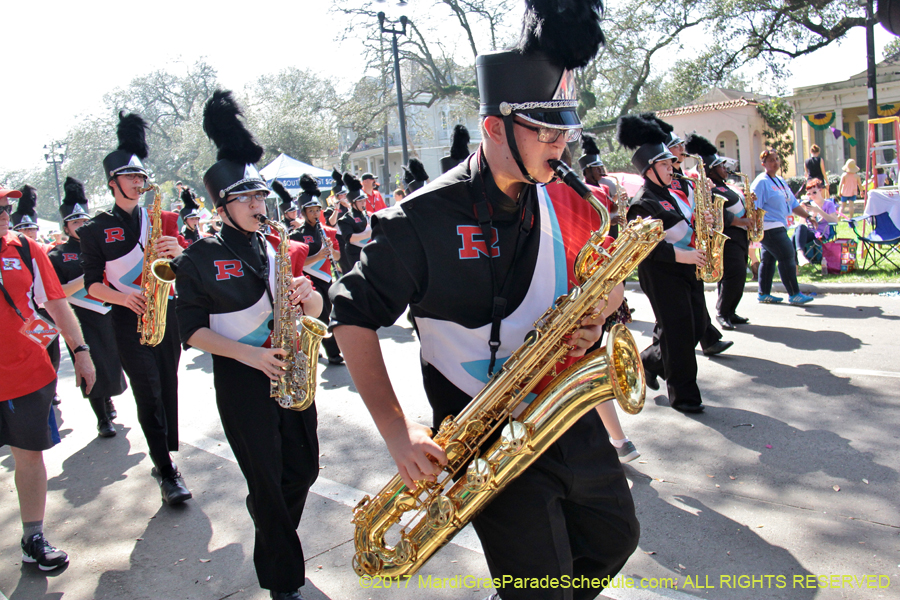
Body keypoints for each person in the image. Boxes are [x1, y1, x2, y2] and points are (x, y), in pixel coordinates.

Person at [332, 2, 639, 597]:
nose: (560, 144)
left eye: (564, 130)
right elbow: (351, 315)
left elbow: (603, 288)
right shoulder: (418, 219)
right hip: (483, 433)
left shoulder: (571, 201)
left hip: (564, 410)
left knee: (614, 537)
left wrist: (596, 319)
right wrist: (398, 432)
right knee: (539, 584)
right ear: (494, 127)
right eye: (545, 131)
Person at [173, 89, 322, 600]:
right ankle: (283, 582)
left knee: (304, 470)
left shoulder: (280, 245)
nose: (260, 206)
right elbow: (187, 330)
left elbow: (312, 309)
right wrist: (250, 355)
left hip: (291, 371)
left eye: (262, 197)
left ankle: (266, 514)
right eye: (247, 198)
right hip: (242, 379)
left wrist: (312, 298)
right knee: (268, 479)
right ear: (222, 206)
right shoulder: (198, 258)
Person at [78, 111, 193, 505]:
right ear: (112, 183)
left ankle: (166, 455)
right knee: (149, 394)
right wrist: (122, 296)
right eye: (129, 177)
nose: (137, 183)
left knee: (168, 386)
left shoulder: (164, 218)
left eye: (141, 178)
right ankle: (166, 470)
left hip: (168, 315)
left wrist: (181, 253)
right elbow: (92, 284)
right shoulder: (95, 228)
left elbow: (184, 271)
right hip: (129, 320)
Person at [2, 184, 97, 571]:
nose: (4, 211)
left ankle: (33, 536)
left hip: (28, 374)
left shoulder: (25, 248)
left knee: (29, 456)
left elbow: (56, 301)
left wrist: (81, 352)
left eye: (5, 205)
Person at [619, 115, 713, 414]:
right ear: (649, 170)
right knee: (680, 332)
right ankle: (685, 396)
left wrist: (705, 222)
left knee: (696, 327)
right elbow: (641, 248)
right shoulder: (642, 202)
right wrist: (680, 255)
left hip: (688, 267)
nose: (672, 168)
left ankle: (650, 361)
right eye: (664, 165)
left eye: (671, 163)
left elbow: (687, 225)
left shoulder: (674, 194)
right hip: (661, 272)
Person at [47, 177, 127, 438]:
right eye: (75, 222)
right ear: (66, 226)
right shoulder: (57, 256)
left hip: (108, 313)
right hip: (80, 318)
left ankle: (108, 400)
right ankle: (102, 418)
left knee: (113, 362)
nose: (80, 226)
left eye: (84, 221)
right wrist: (86, 279)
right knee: (91, 365)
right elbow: (55, 294)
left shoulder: (101, 245)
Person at [685, 134, 753, 331]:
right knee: (734, 274)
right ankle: (723, 312)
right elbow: (718, 213)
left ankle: (731, 311)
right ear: (712, 170)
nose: (725, 169)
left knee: (739, 276)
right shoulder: (711, 189)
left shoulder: (726, 185)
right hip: (728, 236)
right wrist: (741, 221)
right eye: (721, 166)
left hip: (740, 236)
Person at [752, 149, 816, 305]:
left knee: (768, 260)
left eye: (776, 159)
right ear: (763, 164)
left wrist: (808, 216)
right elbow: (753, 207)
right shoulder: (761, 182)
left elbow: (793, 204)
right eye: (771, 160)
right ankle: (794, 294)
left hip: (781, 225)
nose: (775, 162)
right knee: (787, 255)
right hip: (768, 227)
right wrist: (754, 229)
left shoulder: (780, 181)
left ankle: (764, 293)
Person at [293, 176, 344, 365]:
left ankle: (310, 346)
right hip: (308, 280)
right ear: (304, 213)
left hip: (326, 278)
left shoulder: (327, 231)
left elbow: (338, 257)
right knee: (320, 315)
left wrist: (331, 251)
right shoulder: (297, 235)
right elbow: (297, 262)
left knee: (325, 313)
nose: (315, 214)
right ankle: (333, 353)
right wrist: (319, 255)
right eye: (311, 211)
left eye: (317, 210)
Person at [795, 178, 840, 267]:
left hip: (821, 234)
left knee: (795, 236)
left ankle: (795, 264)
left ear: (820, 190)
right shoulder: (809, 205)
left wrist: (819, 211)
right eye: (809, 193)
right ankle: (799, 256)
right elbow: (801, 223)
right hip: (809, 232)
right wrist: (803, 211)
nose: (812, 195)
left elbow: (835, 221)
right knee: (799, 229)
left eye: (814, 192)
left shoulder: (828, 204)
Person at [337, 173, 371, 272]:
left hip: (368, 251)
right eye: (360, 201)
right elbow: (349, 238)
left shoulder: (367, 215)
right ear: (353, 202)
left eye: (364, 201)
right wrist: (367, 234)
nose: (363, 204)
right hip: (354, 253)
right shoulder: (346, 219)